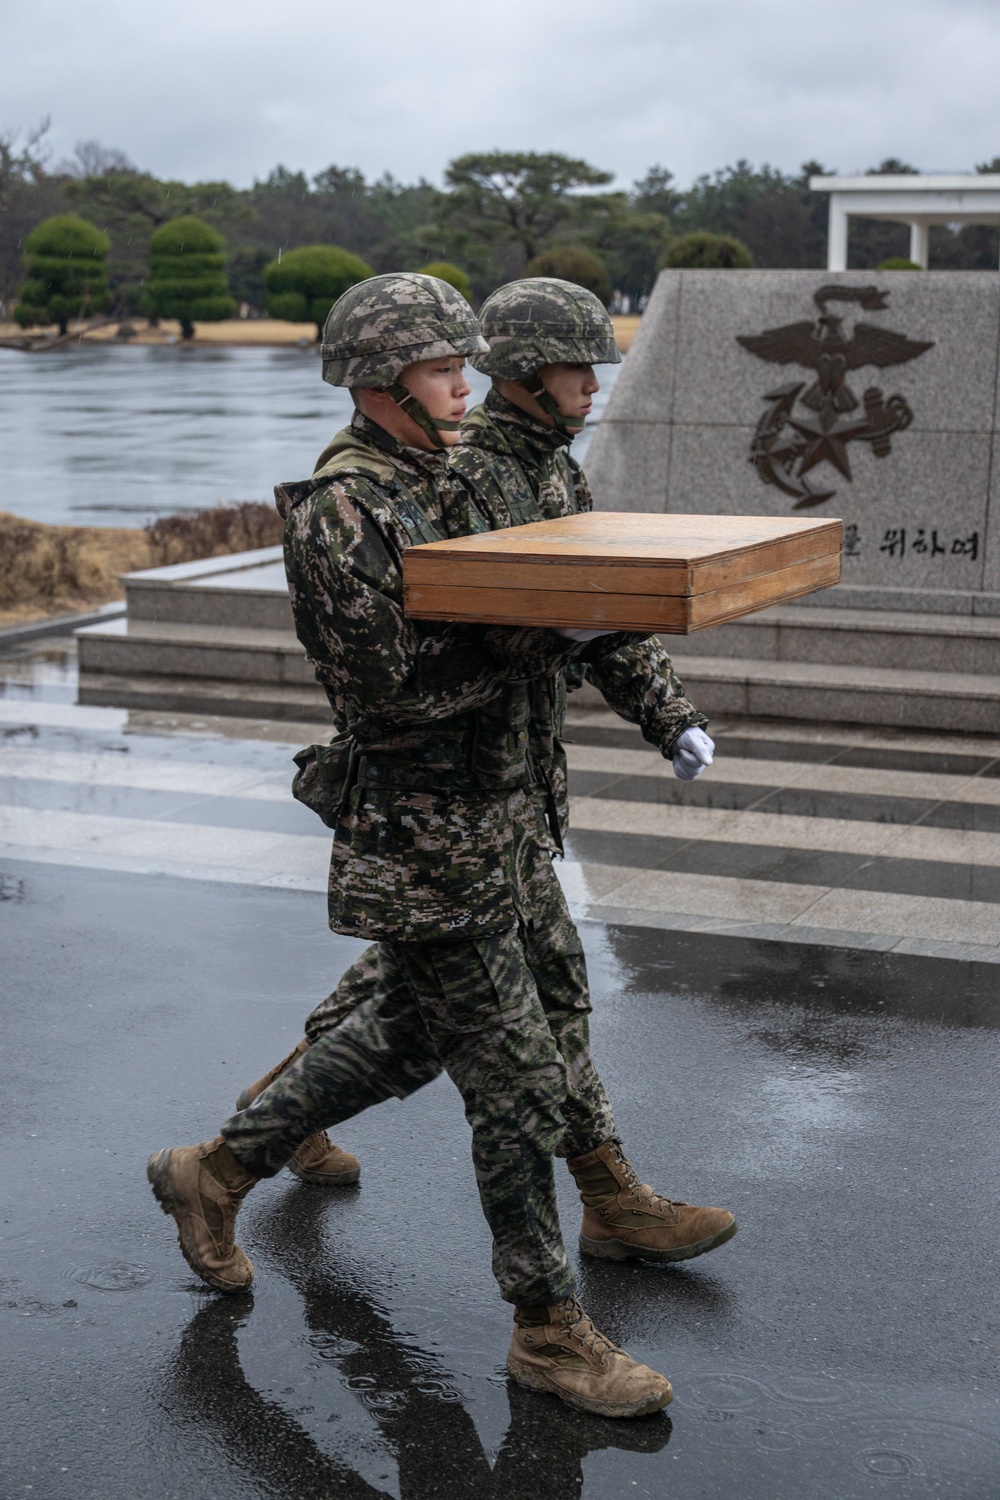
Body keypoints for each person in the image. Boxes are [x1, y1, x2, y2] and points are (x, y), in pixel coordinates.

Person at [148, 273, 730, 1419]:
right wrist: (545, 636)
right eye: (439, 368)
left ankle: (216, 1168)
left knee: (446, 1028)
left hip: (504, 818)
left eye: (466, 365)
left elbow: (531, 603)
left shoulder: (451, 479)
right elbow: (387, 693)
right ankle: (548, 1330)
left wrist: (602, 642)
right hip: (422, 839)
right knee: (509, 1072)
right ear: (380, 384)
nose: (464, 386)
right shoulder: (343, 509)